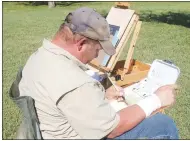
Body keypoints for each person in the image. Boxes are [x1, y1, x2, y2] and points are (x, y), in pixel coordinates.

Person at [19, 7, 179, 139]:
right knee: (163, 124)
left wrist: (100, 91)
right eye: (97, 49)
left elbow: (68, 96)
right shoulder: (75, 82)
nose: (97, 55)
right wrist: (156, 100)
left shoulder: (39, 57)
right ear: (81, 43)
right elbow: (113, 129)